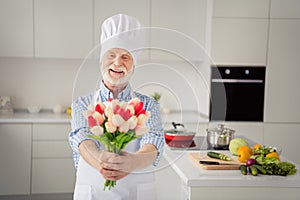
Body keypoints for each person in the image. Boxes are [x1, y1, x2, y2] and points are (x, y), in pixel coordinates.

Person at [69, 14, 165, 200]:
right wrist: (103, 164)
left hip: (136, 193)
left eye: (125, 57)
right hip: (93, 192)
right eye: (111, 55)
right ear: (100, 62)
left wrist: (132, 162)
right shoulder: (81, 104)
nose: (117, 62)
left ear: (133, 66)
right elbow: (82, 141)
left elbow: (153, 142)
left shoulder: (149, 105)